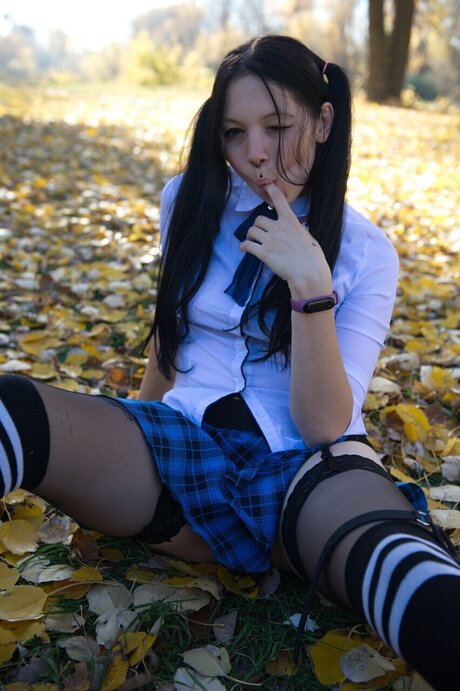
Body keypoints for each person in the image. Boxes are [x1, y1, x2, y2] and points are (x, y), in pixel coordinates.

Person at [0, 35, 458, 689]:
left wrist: (311, 287)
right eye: (234, 132)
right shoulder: (186, 200)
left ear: (323, 121)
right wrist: (131, 427)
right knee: (17, 407)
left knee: (408, 572)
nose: (255, 153)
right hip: (180, 459)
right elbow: (171, 340)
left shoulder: (366, 251)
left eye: (277, 127)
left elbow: (325, 425)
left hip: (305, 478)